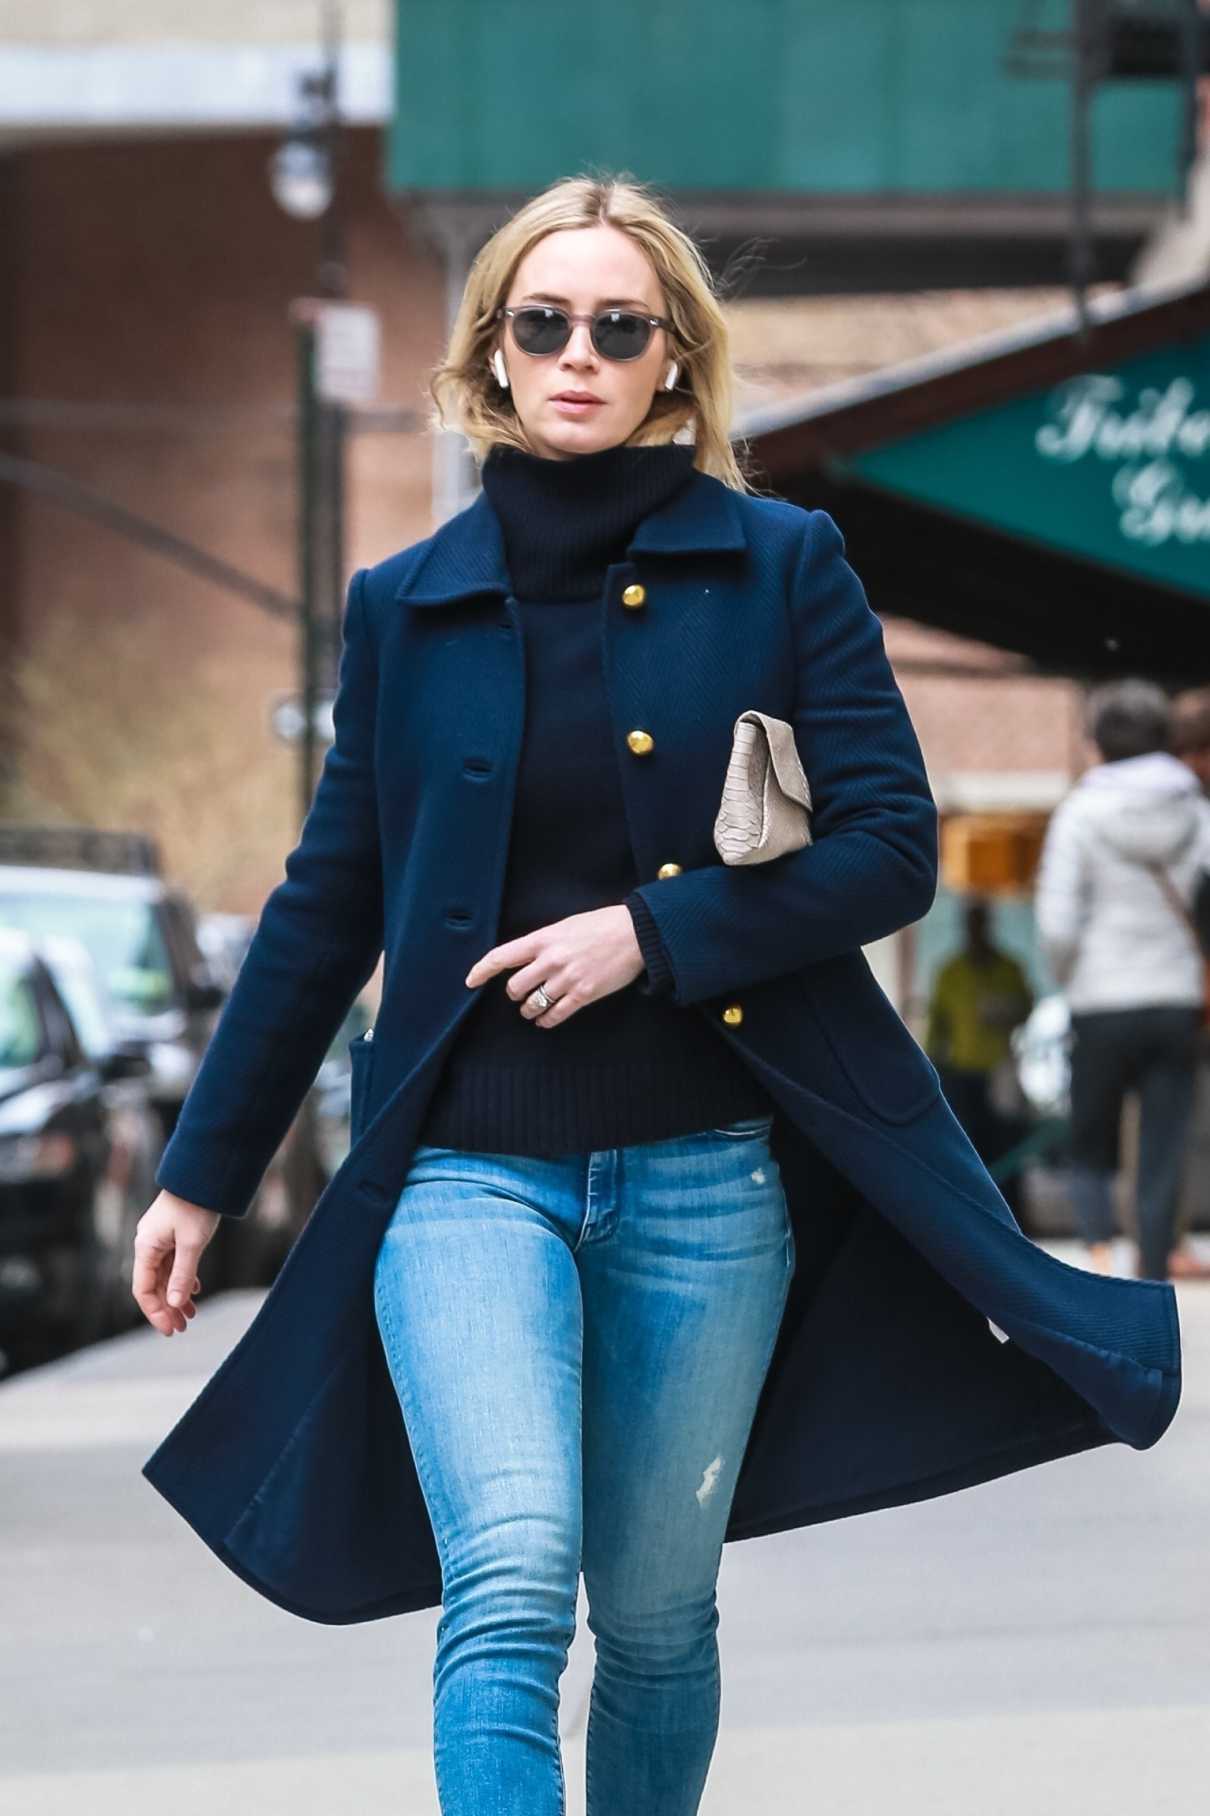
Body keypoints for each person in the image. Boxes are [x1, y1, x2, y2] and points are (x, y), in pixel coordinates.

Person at [128, 175, 1180, 1815]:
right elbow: (327, 903)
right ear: (490, 351)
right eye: (542, 322)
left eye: (621, 328)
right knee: (510, 1578)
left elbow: (891, 848)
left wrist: (655, 931)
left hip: (706, 1176)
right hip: (463, 1173)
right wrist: (200, 1168)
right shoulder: (402, 606)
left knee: (660, 1616)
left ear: (674, 364)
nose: (578, 355)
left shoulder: (781, 566)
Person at [1034, 678, 1210, 1281]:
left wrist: (1071, 979)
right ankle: (1153, 1265)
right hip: (1177, 1000)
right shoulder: (1197, 811)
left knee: (1091, 1133)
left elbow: (1057, 924)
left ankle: (1097, 1256)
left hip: (1101, 999)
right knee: (1165, 1142)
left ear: (1099, 743)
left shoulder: (1079, 814)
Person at [924, 895, 1034, 1227]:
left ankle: (1014, 1223)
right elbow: (936, 1026)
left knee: (1007, 1150)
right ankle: (974, 1222)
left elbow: (1026, 1008)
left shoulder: (1009, 969)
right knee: (968, 1152)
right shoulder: (950, 973)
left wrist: (1005, 1011)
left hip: (1001, 1072)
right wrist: (930, 1075)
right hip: (961, 1073)